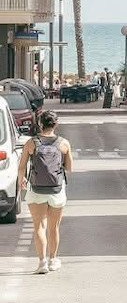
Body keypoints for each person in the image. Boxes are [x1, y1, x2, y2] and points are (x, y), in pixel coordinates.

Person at [23, 111, 73, 275]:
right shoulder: (63, 143)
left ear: (40, 124)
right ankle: (53, 260)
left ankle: (42, 262)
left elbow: (22, 166)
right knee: (54, 227)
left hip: (36, 189)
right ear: (56, 124)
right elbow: (69, 169)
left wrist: (21, 180)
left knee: (39, 226)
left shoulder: (31, 143)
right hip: (56, 190)